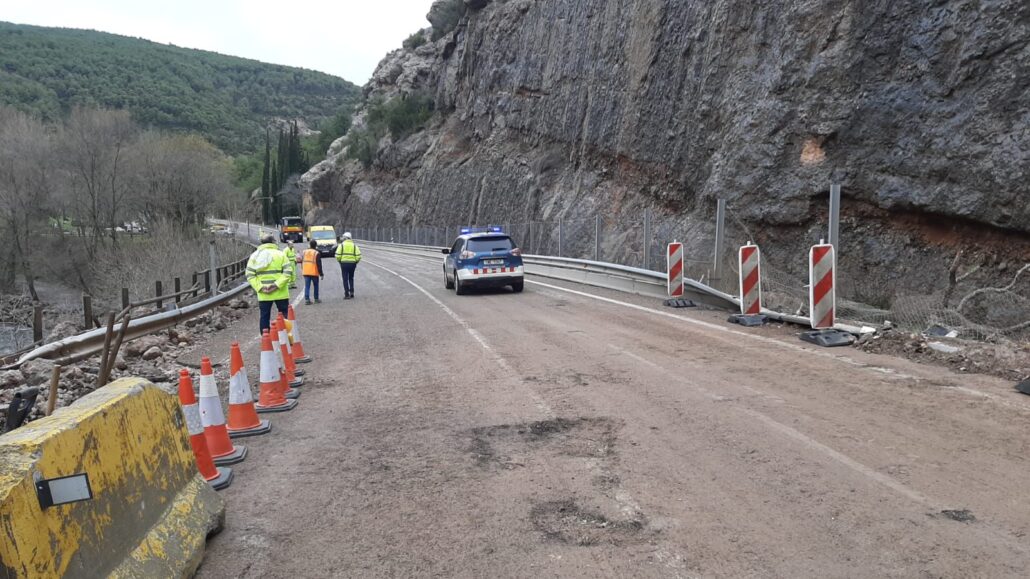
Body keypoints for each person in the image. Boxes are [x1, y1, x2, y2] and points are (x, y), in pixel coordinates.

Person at [246, 233, 294, 333]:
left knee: (264, 316)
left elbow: (250, 275)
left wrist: (260, 287)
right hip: (281, 293)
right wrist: (276, 285)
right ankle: (286, 338)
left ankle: (265, 341)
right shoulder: (280, 254)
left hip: (264, 293)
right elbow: (288, 272)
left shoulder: (254, 256)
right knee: (284, 315)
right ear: (273, 242)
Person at [335, 232, 361, 299]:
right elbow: (358, 256)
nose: (342, 238)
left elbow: (337, 255)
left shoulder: (341, 245)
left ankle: (347, 294)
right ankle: (352, 292)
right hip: (352, 264)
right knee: (351, 278)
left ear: (345, 238)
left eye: (343, 237)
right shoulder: (354, 246)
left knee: (345, 279)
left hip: (344, 263)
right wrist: (356, 262)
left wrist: (340, 261)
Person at [301, 239, 324, 305]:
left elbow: (302, 261)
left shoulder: (304, 252)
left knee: (307, 286)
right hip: (314, 272)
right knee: (316, 285)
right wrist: (321, 274)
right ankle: (316, 299)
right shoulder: (316, 253)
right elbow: (319, 264)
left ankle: (307, 299)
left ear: (310, 245)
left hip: (306, 271)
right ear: (316, 245)